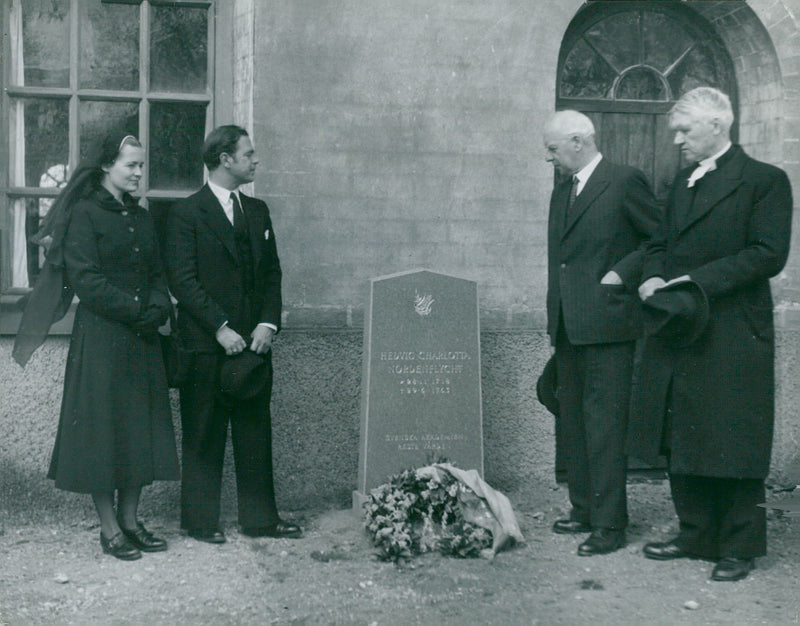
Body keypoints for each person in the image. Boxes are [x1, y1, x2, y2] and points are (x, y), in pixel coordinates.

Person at [630, 87, 793, 582]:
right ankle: (695, 532)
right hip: (681, 323)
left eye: (685, 130)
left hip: (733, 327)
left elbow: (768, 254)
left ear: (717, 127)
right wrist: (652, 275)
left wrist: (696, 280)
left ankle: (739, 546)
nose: (677, 140)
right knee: (686, 429)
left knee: (733, 433)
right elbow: (658, 241)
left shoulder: (765, 181)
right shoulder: (681, 183)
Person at [13, 131, 180, 561]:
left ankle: (131, 520)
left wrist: (159, 304)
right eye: (132, 165)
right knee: (104, 435)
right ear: (107, 166)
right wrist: (140, 310)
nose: (140, 172)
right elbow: (87, 281)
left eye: (142, 165)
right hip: (103, 338)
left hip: (141, 340)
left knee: (137, 431)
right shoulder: (85, 214)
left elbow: (159, 273)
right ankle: (109, 529)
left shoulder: (141, 217)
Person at [164, 125, 301, 543]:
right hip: (206, 346)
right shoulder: (186, 213)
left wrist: (267, 324)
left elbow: (272, 273)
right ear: (225, 159)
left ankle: (260, 519)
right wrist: (220, 329)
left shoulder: (257, 211)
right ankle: (200, 522)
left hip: (255, 346)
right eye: (249, 153)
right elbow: (183, 281)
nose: (255, 160)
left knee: (255, 433)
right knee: (203, 432)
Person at [543, 110, 660, 556]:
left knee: (605, 425)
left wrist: (621, 273)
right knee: (572, 419)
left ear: (578, 141)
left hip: (609, 324)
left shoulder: (625, 180)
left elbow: (657, 238)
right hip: (569, 325)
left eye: (552, 149)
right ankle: (584, 509)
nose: (548, 157)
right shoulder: (561, 191)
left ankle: (610, 525)